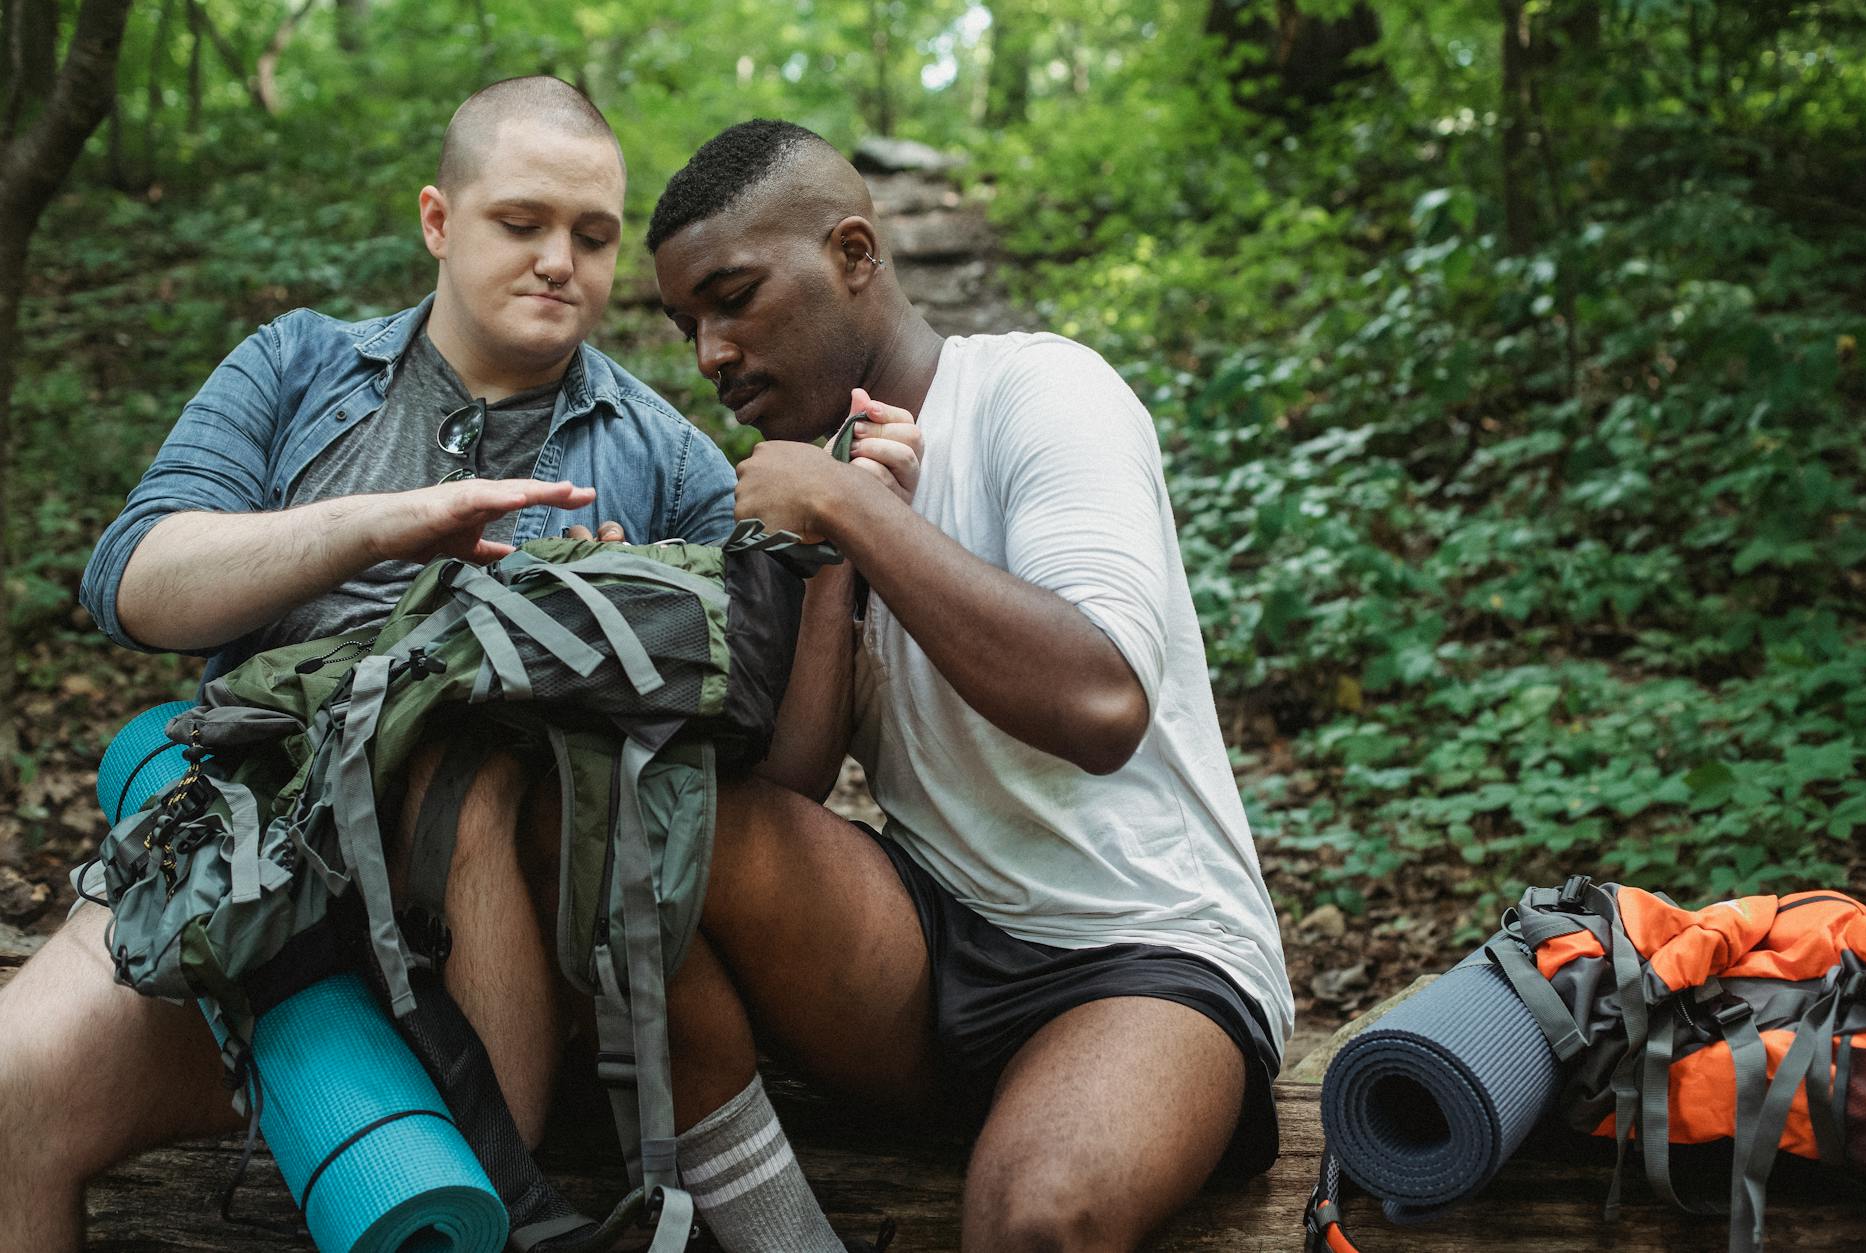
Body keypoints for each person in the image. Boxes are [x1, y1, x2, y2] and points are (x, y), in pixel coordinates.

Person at [0, 77, 849, 1253]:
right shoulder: (298, 368)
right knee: (15, 1082)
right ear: (438, 220)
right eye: (522, 222)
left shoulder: (668, 461)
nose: (561, 260)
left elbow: (754, 755)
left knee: (452, 1169)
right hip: (245, 869)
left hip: (484, 925)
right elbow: (134, 578)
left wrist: (614, 634)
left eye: (593, 237)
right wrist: (384, 522)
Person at [646, 120, 1295, 1251]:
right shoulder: (824, 485)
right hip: (934, 943)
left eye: (732, 297)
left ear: (854, 254)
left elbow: (1099, 706)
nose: (708, 352)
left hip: (1143, 948)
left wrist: (853, 511)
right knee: (666, 820)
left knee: (1032, 1218)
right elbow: (790, 790)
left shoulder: (1041, 391)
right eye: (685, 323)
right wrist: (834, 555)